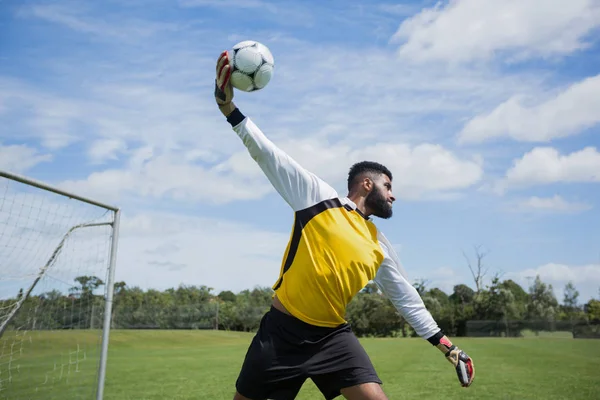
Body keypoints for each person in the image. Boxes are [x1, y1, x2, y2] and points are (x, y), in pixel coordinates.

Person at [213, 50, 475, 400]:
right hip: (281, 334)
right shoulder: (317, 197)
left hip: (332, 338)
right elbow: (269, 155)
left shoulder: (378, 242)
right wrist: (230, 110)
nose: (393, 196)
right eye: (388, 186)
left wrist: (448, 347)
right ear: (367, 184)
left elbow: (405, 298)